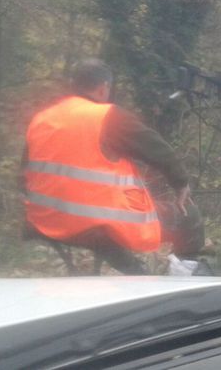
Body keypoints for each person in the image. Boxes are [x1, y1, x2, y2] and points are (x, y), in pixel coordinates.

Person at [21, 58, 203, 275]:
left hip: (43, 222)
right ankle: (184, 277)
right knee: (189, 216)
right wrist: (181, 184)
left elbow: (24, 177)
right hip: (97, 225)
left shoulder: (41, 119)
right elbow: (158, 150)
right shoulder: (107, 117)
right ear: (103, 87)